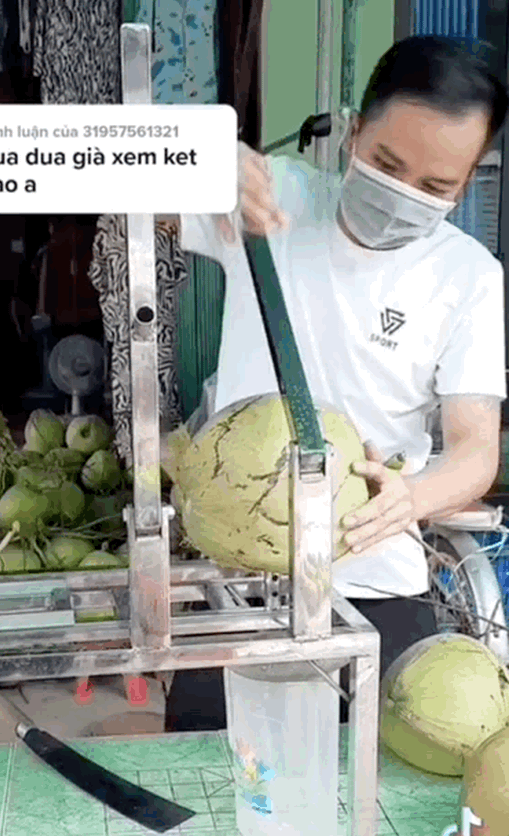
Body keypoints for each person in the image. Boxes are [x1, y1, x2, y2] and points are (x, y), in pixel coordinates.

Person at [160, 35, 508, 732]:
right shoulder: (273, 199)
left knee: (388, 775)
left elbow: (475, 449)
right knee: (204, 776)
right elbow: (124, 200)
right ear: (353, 133)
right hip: (239, 581)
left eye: (436, 188)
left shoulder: (468, 277)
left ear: (468, 182)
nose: (403, 196)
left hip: (378, 581)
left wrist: (412, 497)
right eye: (387, 164)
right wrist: (195, 158)